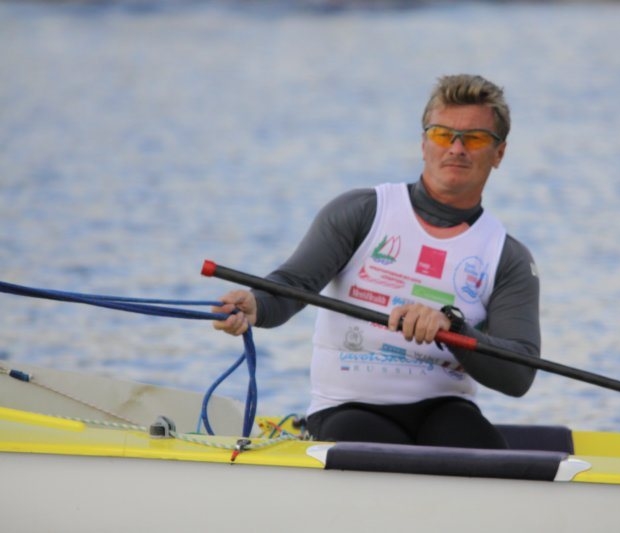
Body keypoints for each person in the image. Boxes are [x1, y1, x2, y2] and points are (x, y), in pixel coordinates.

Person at [213, 74, 540, 449]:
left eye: (475, 138)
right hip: (347, 408)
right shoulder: (362, 212)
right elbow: (293, 285)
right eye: (441, 134)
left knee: (478, 448)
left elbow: (519, 375)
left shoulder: (507, 258)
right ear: (423, 144)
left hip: (445, 409)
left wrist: (454, 328)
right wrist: (256, 305)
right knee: (371, 446)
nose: (456, 148)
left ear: (499, 153)